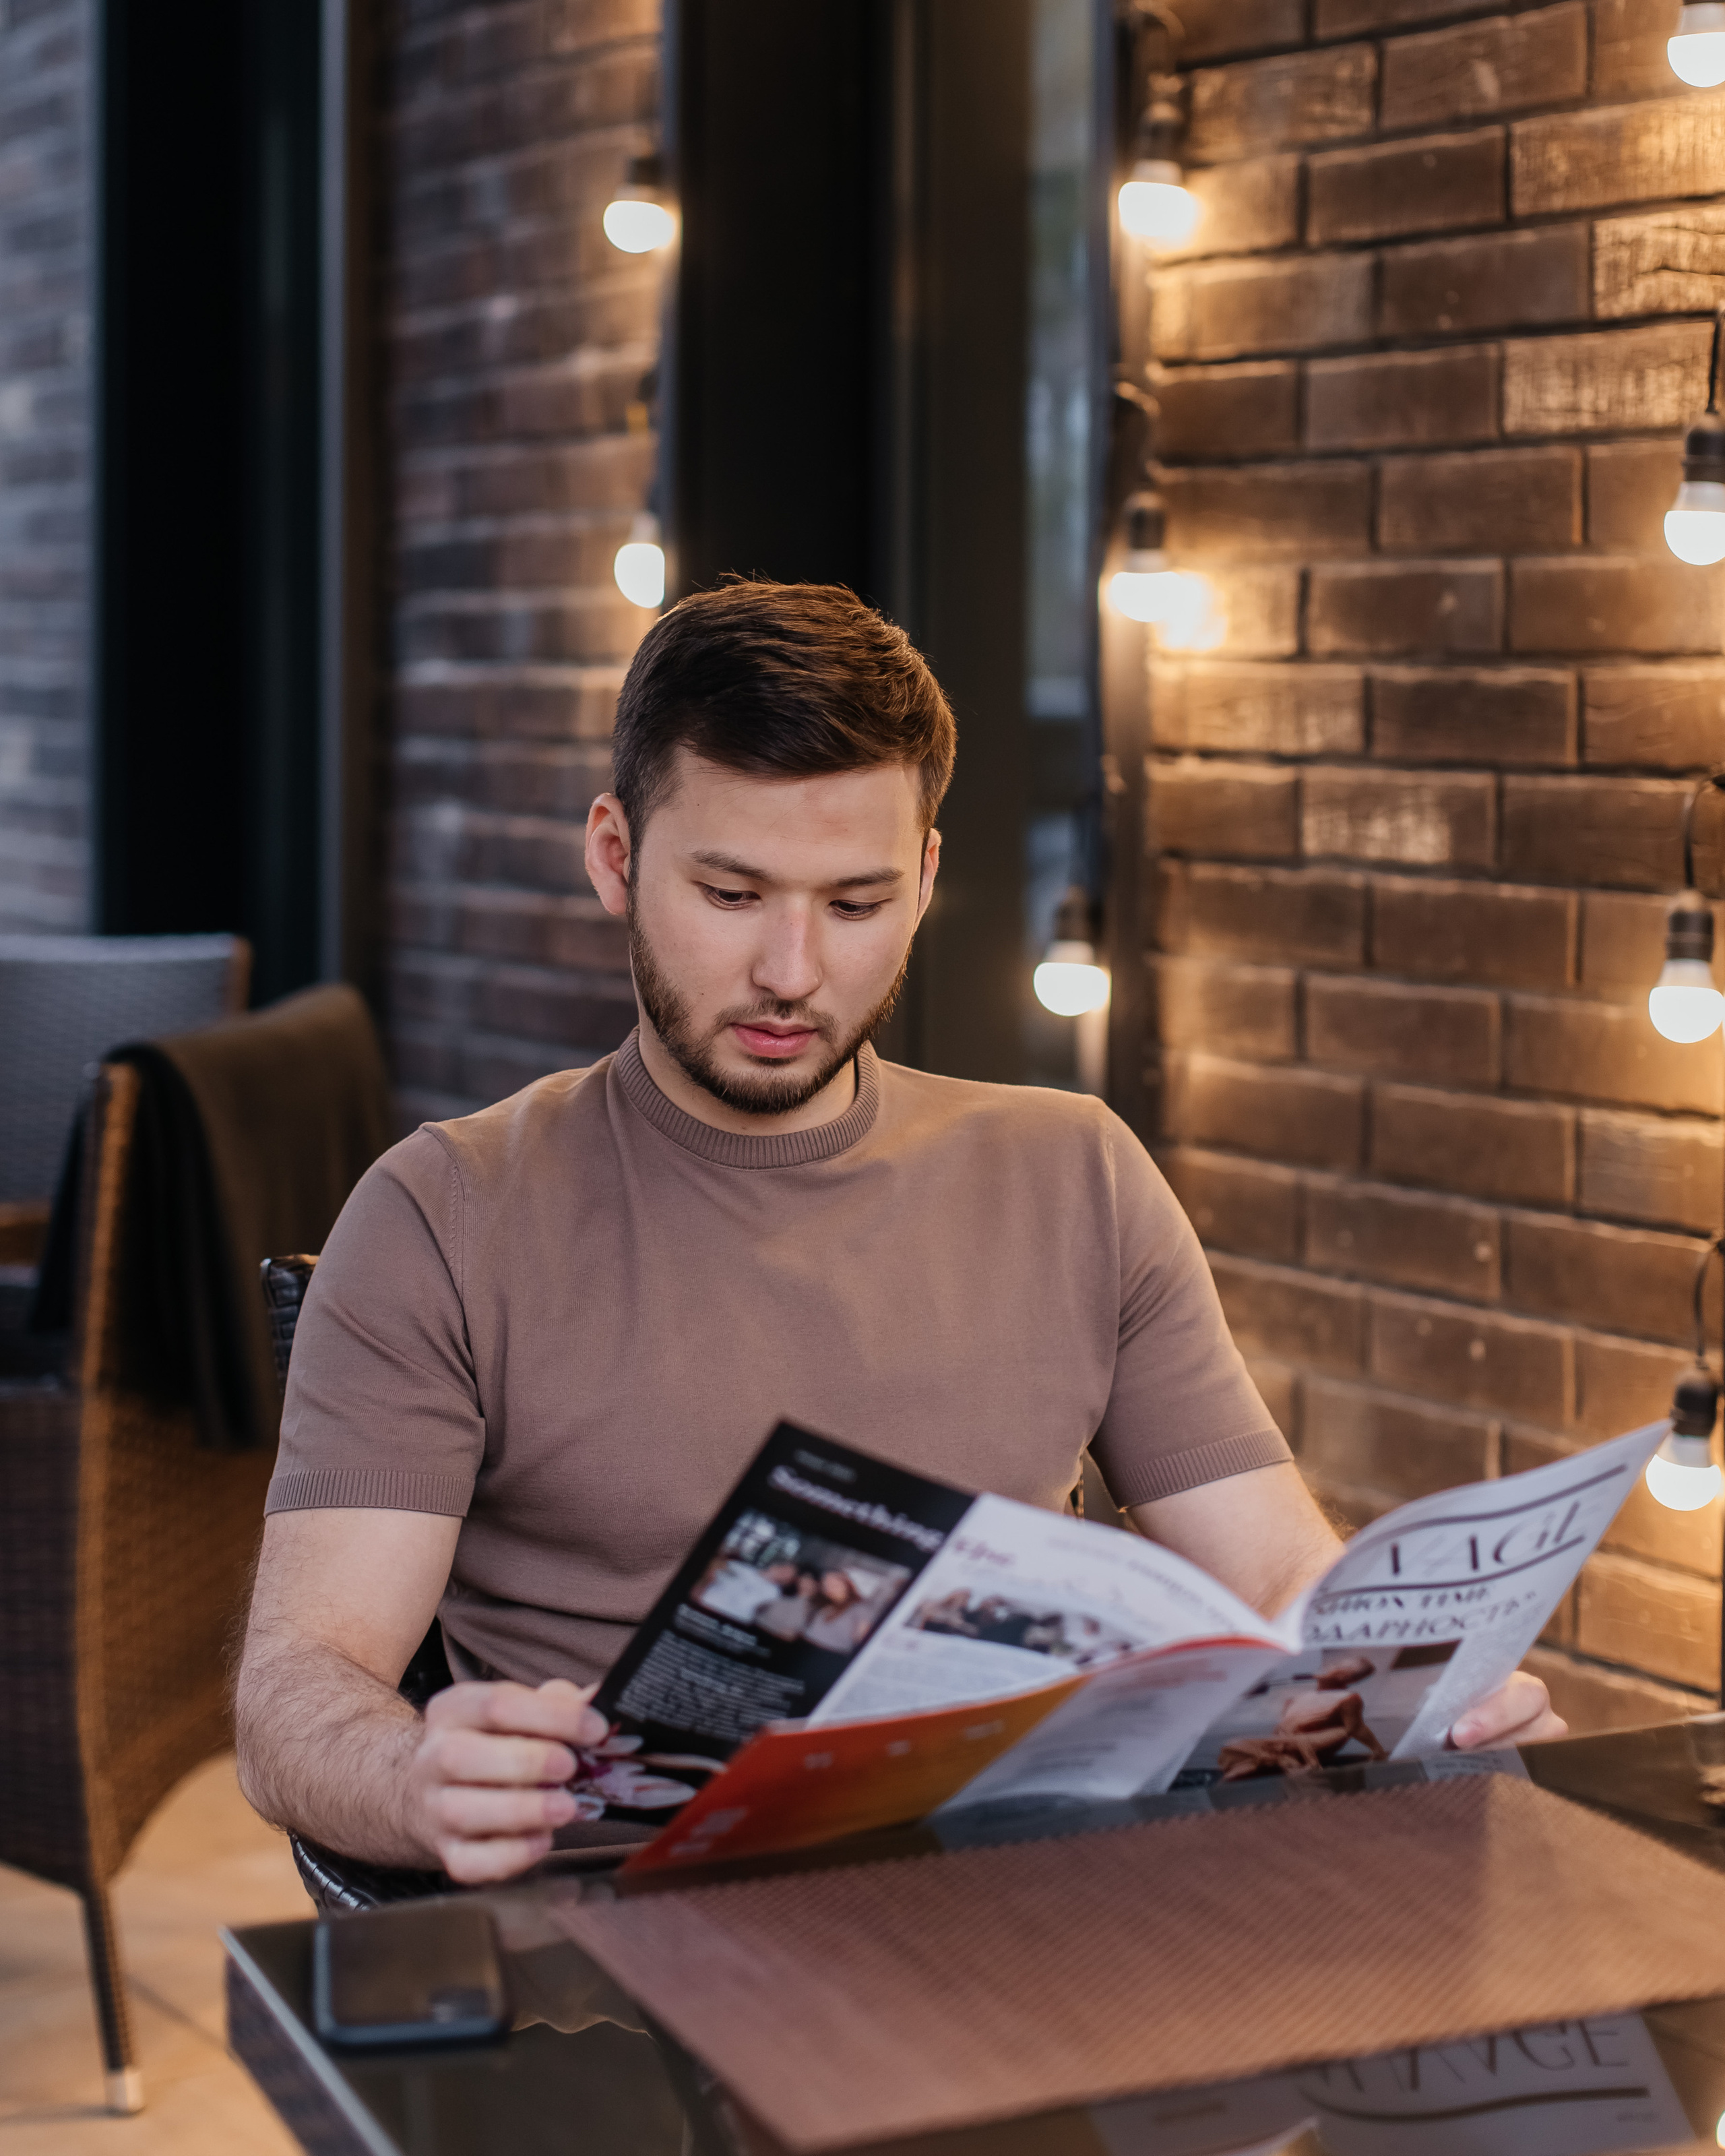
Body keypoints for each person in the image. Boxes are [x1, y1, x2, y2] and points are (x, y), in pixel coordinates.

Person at [234, 580, 1564, 1885]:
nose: (791, 973)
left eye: (855, 904)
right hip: (620, 1947)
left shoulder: (1074, 1172)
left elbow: (1276, 1570)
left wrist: (1412, 1690)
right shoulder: (442, 1214)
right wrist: (416, 1777)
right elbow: (299, 1691)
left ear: (925, 879)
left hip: (1027, 1907)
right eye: (733, 894)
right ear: (614, 858)